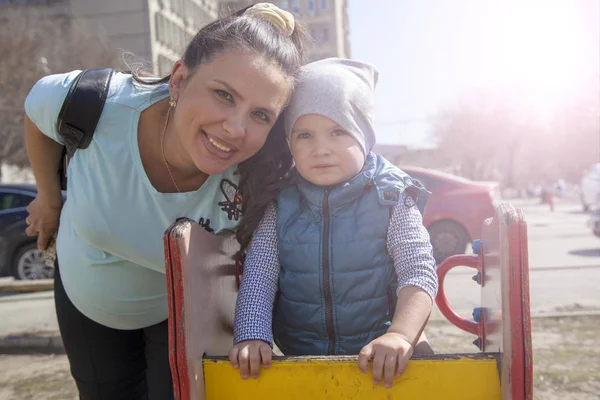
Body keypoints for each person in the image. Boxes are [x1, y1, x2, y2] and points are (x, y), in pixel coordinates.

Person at [23, 3, 306, 399]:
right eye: (223, 94)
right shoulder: (100, 105)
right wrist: (49, 197)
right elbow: (36, 112)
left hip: (182, 316)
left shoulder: (260, 175)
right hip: (87, 304)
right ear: (178, 79)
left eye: (261, 115)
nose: (236, 129)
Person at [229, 58, 439, 389]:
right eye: (305, 135)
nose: (321, 149)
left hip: (380, 351)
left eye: (338, 131)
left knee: (429, 379)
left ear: (364, 135)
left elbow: (418, 271)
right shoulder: (281, 202)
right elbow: (260, 274)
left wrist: (400, 334)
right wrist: (253, 334)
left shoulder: (394, 197)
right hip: (302, 356)